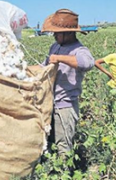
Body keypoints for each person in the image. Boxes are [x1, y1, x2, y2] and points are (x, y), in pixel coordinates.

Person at [33, 9, 95, 156]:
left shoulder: (79, 50)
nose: (54, 35)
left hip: (65, 105)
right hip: (48, 103)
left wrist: (61, 58)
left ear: (69, 33)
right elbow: (44, 67)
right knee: (47, 143)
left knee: (63, 147)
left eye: (57, 32)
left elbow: (88, 63)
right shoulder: (55, 47)